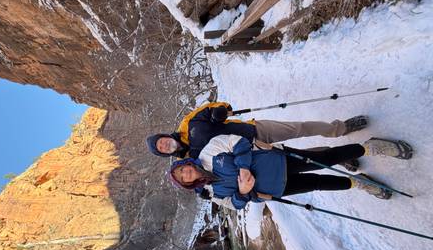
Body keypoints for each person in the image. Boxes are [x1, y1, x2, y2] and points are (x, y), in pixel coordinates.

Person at [169, 135, 413, 210]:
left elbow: (238, 141)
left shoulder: (210, 152)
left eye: (183, 170)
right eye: (183, 179)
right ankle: (359, 184)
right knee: (319, 183)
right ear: (188, 184)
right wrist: (243, 192)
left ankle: (368, 147)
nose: (186, 174)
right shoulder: (211, 193)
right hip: (275, 190)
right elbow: (234, 204)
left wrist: (243, 166)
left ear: (186, 164)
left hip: (278, 161)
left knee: (325, 159)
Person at [146, 101, 368, 161]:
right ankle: (338, 156)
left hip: (253, 131)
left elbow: (215, 107)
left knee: (299, 128)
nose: (165, 145)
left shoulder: (188, 124)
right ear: (165, 154)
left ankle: (340, 128)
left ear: (165, 135)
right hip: (254, 156)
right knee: (303, 157)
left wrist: (220, 112)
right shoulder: (190, 160)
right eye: (162, 149)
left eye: (161, 141)